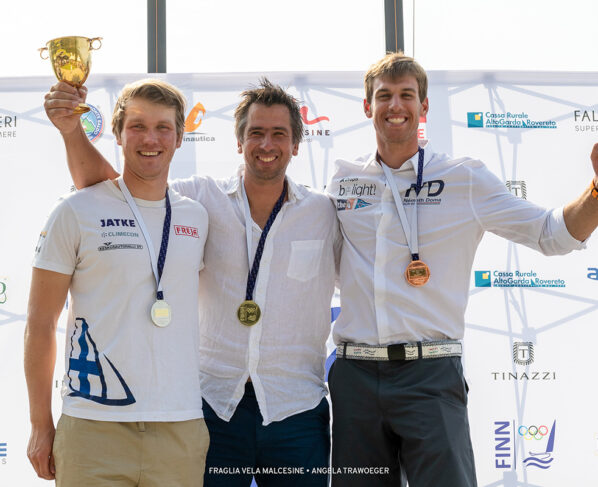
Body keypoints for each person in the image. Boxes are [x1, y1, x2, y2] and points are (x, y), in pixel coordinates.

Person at [43, 78, 340, 486]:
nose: (266, 144)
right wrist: (71, 132)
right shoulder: (201, 198)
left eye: (278, 134)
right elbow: (120, 192)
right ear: (239, 141)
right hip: (216, 408)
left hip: (297, 410)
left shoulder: (324, 213)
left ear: (296, 145)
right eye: (256, 132)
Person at [326, 52, 598, 487]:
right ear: (366, 106)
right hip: (355, 376)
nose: (395, 105)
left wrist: (597, 190)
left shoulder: (464, 178)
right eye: (384, 95)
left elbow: (551, 234)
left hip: (429, 375)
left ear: (424, 106)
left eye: (406, 95)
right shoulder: (342, 181)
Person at [25, 79, 210, 486]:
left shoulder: (197, 215)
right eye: (138, 126)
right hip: (92, 427)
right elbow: (39, 324)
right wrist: (40, 424)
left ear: (180, 137)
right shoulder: (75, 211)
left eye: (163, 128)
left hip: (179, 427)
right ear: (118, 134)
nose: (151, 139)